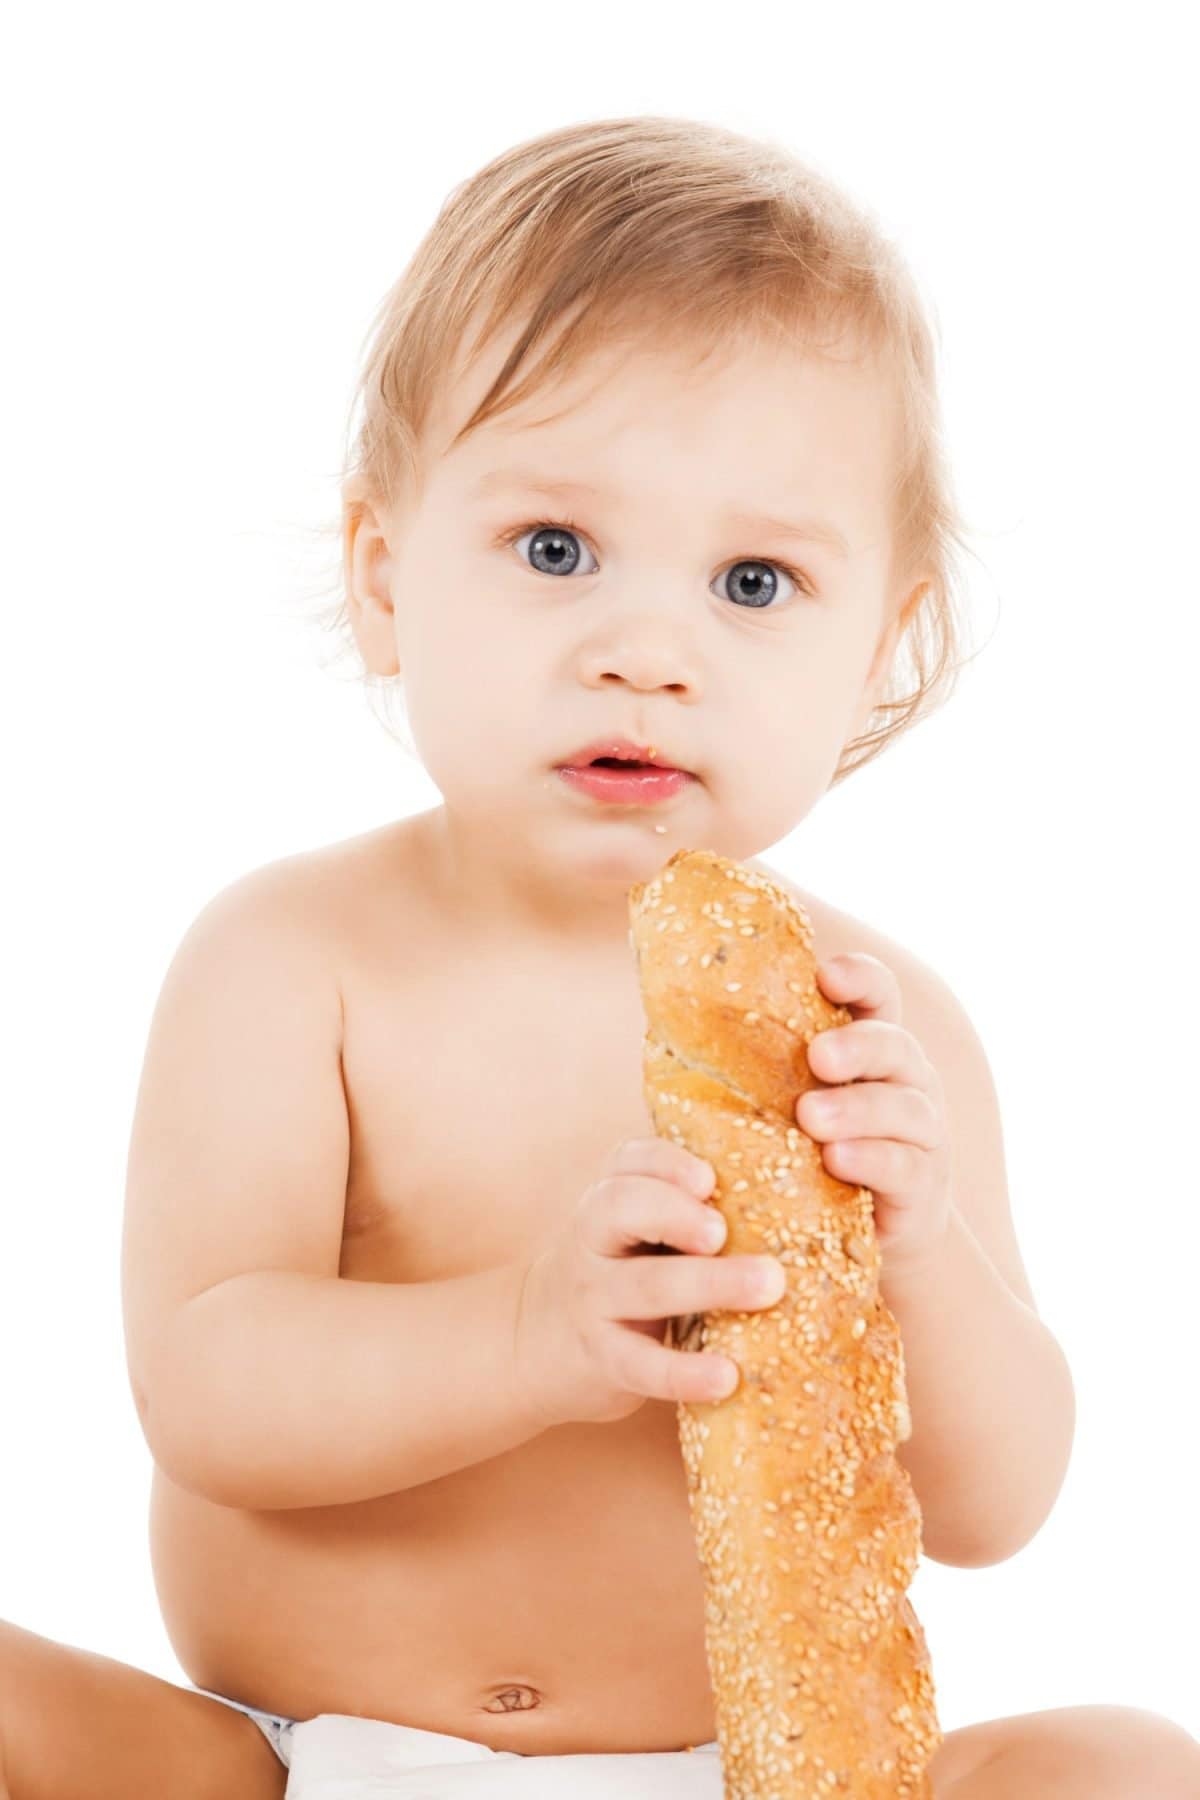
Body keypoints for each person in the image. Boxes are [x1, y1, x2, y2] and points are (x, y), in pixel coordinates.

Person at [2, 115, 1197, 1800]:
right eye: (555, 552)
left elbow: (1000, 1510)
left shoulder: (879, 1028)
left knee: (1131, 1764)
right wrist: (524, 1339)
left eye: (756, 580)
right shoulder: (295, 959)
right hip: (288, 1761)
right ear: (386, 579)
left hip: (743, 1771)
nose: (648, 653)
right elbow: (205, 1389)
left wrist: (920, 1251)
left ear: (885, 650)